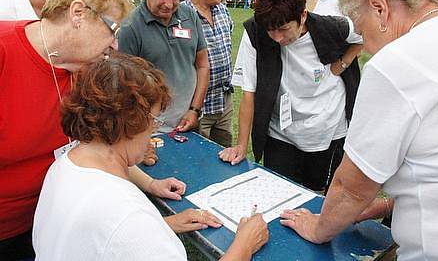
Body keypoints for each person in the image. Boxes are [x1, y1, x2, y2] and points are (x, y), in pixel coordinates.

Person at [279, 0, 438, 260]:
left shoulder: (397, 63)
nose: (367, 46)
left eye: (362, 31)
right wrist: (389, 203)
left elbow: (352, 187)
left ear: (379, 8)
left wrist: (318, 228)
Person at [0, 0, 185, 260]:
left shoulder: (83, 69)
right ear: (78, 13)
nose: (115, 45)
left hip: (47, 220)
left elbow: (100, 146)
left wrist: (150, 184)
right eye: (113, 30)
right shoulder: (4, 51)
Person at [33, 53, 269, 261]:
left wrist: (162, 226)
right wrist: (243, 246)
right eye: (154, 121)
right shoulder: (130, 215)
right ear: (131, 123)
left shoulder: (64, 166)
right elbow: (124, 229)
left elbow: (96, 240)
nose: (154, 131)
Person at [220, 0, 361, 193]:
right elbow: (249, 93)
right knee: (277, 190)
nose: (277, 38)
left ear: (303, 16)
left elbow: (365, 34)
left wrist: (341, 64)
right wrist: (240, 145)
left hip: (327, 127)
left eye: (284, 29)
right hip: (281, 131)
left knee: (317, 193)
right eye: (271, 30)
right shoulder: (256, 32)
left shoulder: (332, 27)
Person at [119, 0, 209, 136]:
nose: (169, 4)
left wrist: (194, 110)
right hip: (150, 131)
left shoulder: (189, 15)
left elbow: (202, 65)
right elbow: (124, 86)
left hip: (189, 122)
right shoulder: (130, 26)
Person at [183, 0, 234, 147]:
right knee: (199, 154)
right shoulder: (181, 16)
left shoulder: (222, 10)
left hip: (223, 100)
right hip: (197, 105)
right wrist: (192, 109)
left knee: (225, 151)